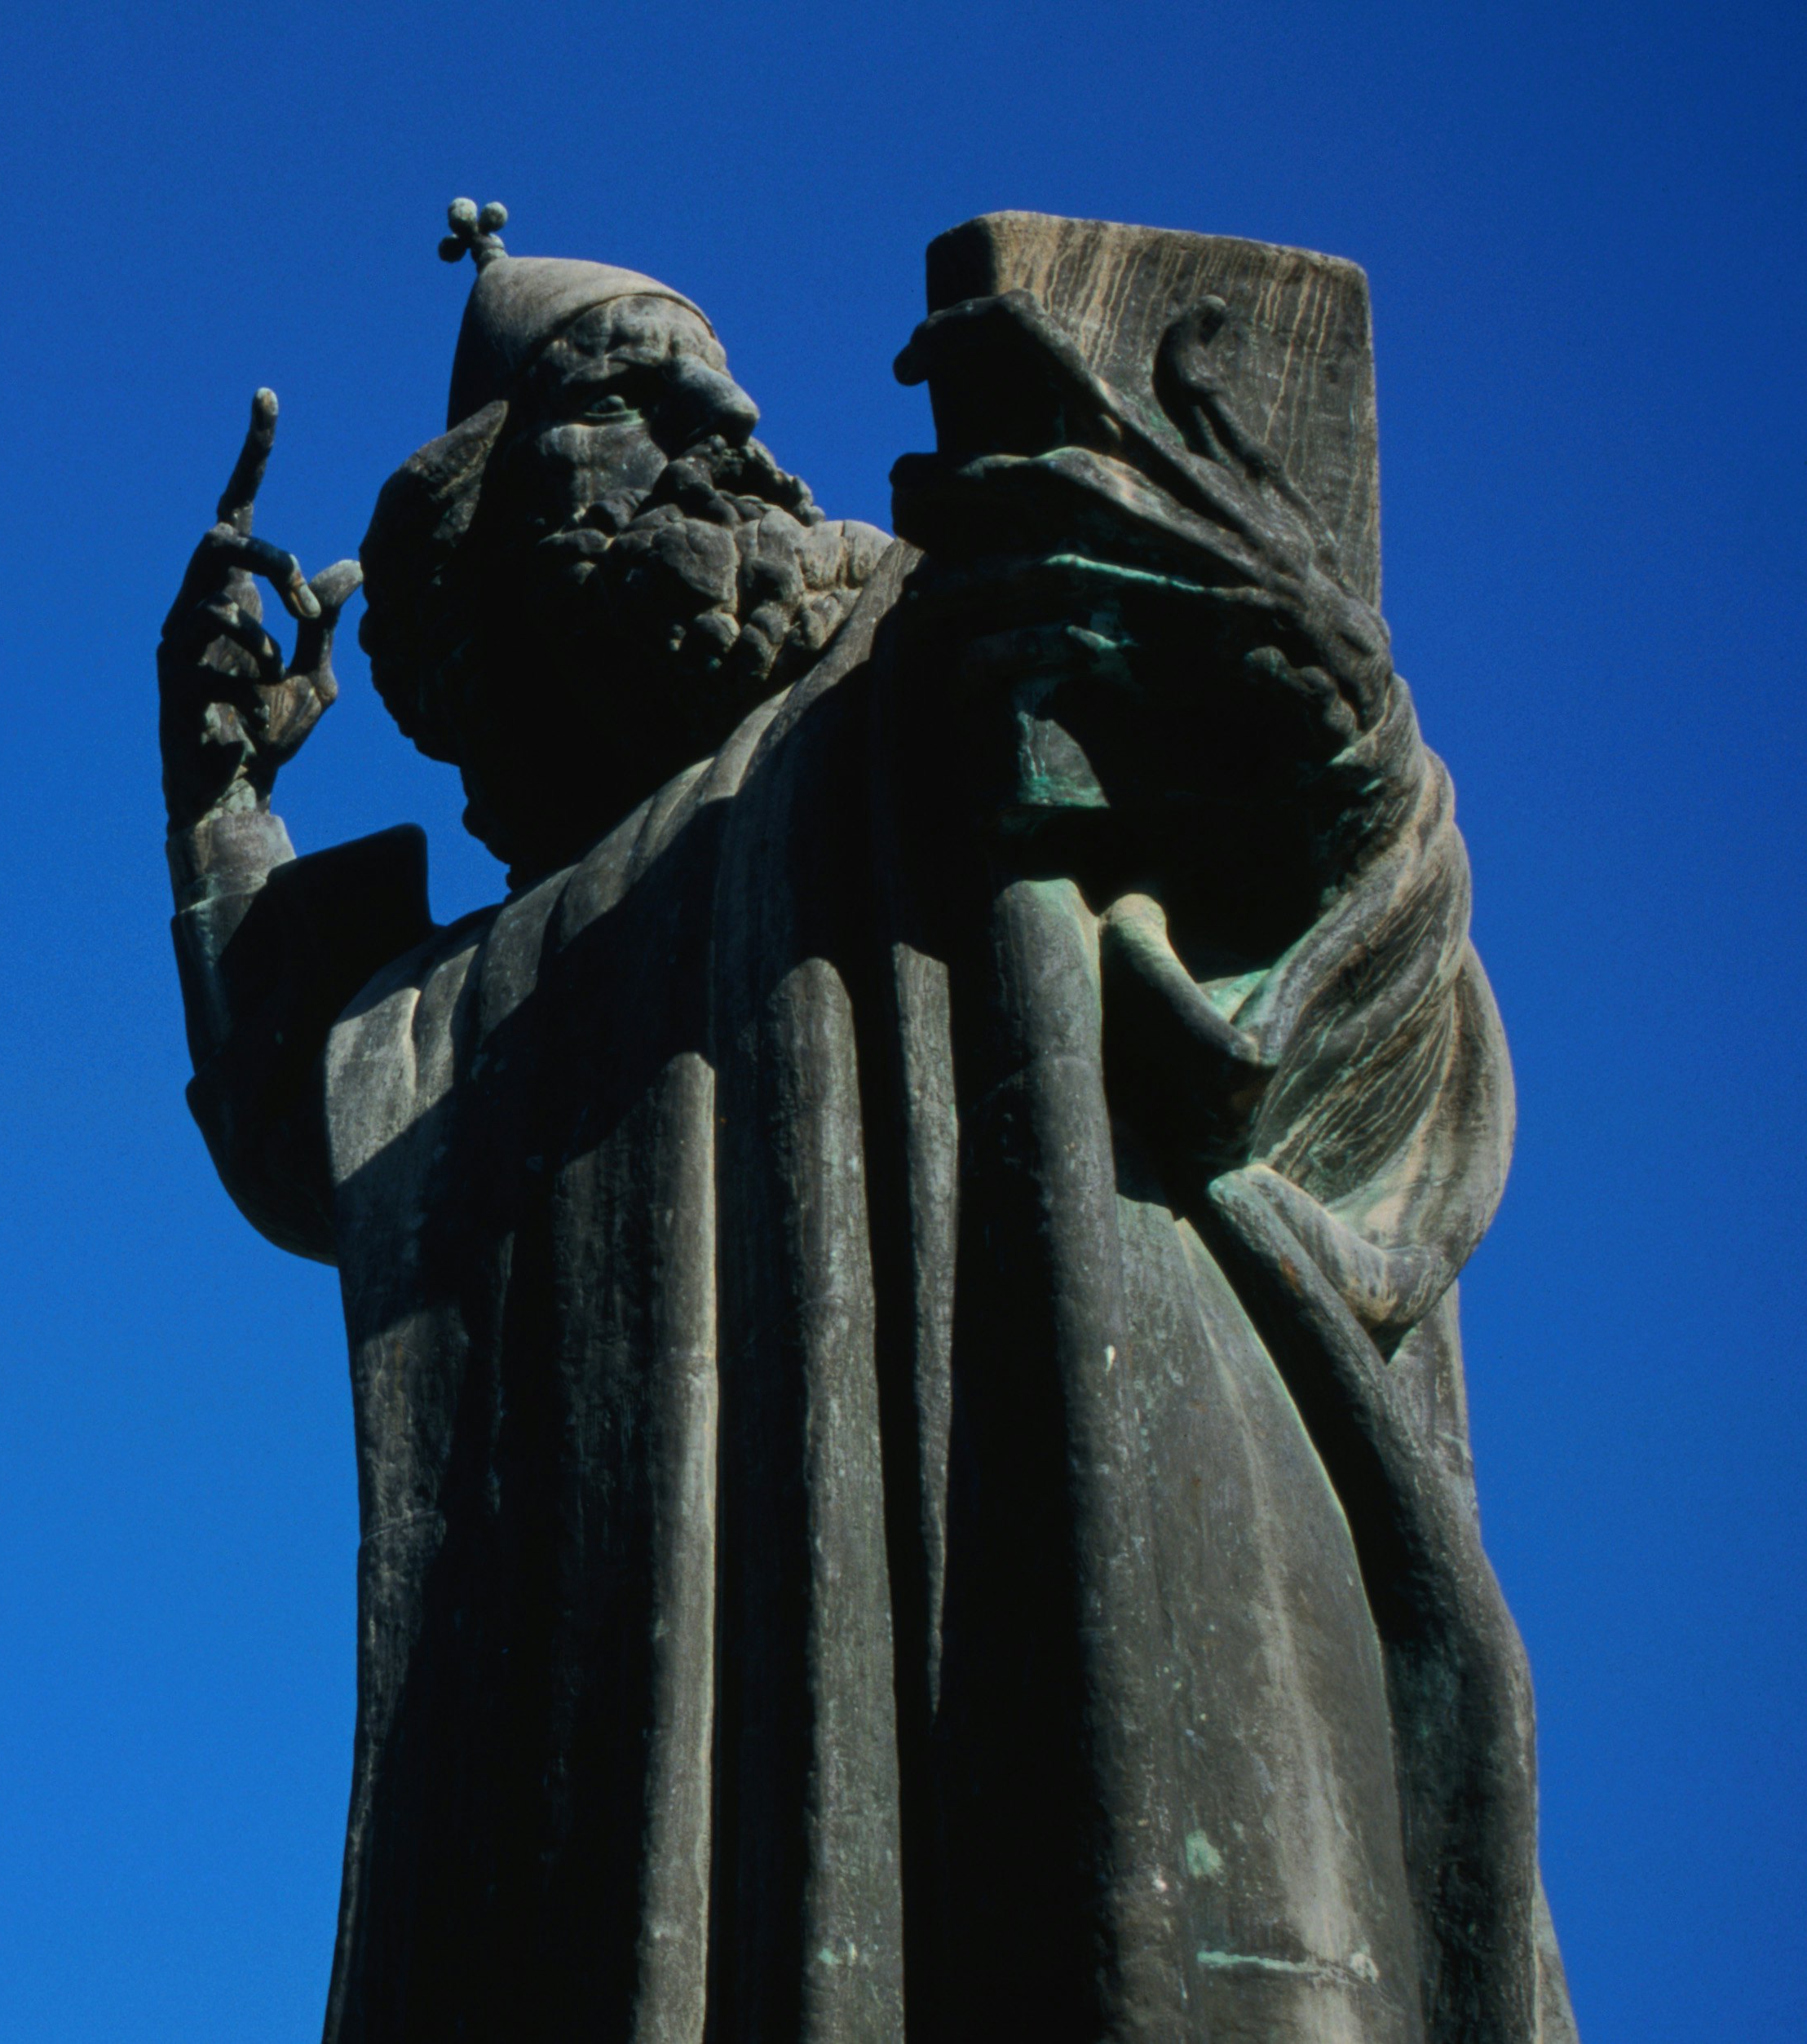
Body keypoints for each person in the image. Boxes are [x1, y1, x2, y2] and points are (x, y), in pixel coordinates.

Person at [157, 201, 1572, 2042]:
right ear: (485, 541)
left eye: (729, 402)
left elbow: (1327, 940)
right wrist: (218, 803)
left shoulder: (955, 659)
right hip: (650, 1838)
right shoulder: (490, 995)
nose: (732, 439)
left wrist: (1330, 735)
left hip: (1078, 1665)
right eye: (637, 403)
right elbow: (317, 1119)